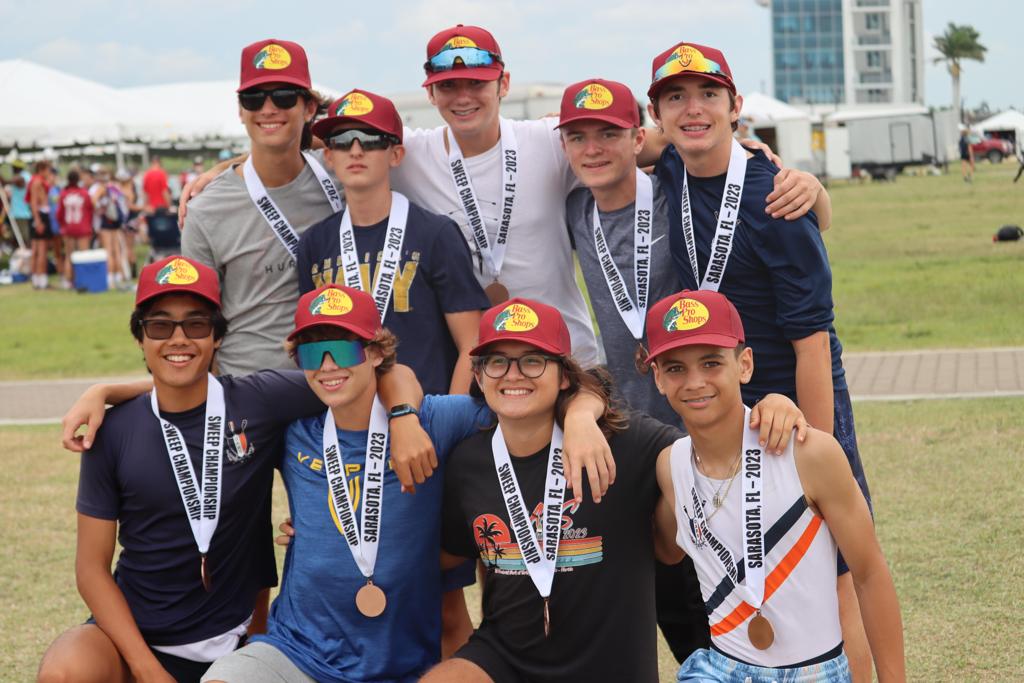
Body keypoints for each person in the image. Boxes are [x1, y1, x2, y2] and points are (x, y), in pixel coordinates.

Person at [202, 284, 619, 683]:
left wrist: (581, 415)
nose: (327, 365)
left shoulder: (436, 421)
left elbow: (545, 392)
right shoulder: (292, 428)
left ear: (375, 353)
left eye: (344, 349)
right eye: (312, 352)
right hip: (296, 651)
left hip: (402, 662)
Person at [39, 258, 428, 683]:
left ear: (218, 336)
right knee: (65, 672)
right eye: (160, 326)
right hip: (134, 641)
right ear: (140, 337)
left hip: (237, 642)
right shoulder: (112, 431)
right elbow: (90, 570)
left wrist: (403, 416)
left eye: (196, 325)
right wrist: (146, 668)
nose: (179, 338)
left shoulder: (259, 401)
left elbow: (385, 371)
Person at [424, 298, 807, 683]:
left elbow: (712, 448)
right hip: (505, 658)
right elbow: (447, 558)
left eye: (533, 361)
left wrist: (773, 406)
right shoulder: (468, 463)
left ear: (564, 376)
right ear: (479, 376)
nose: (513, 375)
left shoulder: (627, 444)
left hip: (610, 667)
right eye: (497, 362)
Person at [645, 40, 873, 681]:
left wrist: (813, 453)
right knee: (758, 572)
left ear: (735, 105)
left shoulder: (777, 200)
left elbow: (813, 345)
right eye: (675, 97)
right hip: (720, 402)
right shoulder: (673, 163)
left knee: (832, 577)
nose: (693, 109)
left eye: (708, 95)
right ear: (657, 114)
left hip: (791, 402)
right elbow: (623, 144)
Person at [645, 288, 905, 682]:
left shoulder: (809, 453)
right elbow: (666, 549)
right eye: (676, 368)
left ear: (744, 365)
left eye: (711, 362)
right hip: (719, 668)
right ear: (658, 379)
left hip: (814, 672)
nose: (695, 381)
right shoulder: (671, 466)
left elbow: (869, 574)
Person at [298, 88, 489, 395]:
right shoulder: (314, 243)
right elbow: (312, 345)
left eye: (371, 139)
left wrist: (450, 414)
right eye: (343, 141)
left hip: (427, 412)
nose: (356, 150)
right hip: (348, 417)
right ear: (329, 156)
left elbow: (471, 343)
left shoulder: (435, 234)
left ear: (396, 154)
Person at [182, 38, 344, 376]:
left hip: (339, 378)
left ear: (309, 108)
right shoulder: (206, 209)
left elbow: (379, 138)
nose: (268, 109)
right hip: (249, 387)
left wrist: (224, 165)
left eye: (284, 96)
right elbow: (197, 322)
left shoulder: (343, 174)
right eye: (253, 98)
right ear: (240, 110)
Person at [92, 166, 129, 289]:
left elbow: (93, 200)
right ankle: (119, 276)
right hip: (116, 222)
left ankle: (110, 278)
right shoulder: (114, 188)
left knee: (108, 251)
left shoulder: (102, 188)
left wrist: (99, 209)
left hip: (106, 222)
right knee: (116, 250)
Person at [56, 169, 95, 285]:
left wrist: (63, 225)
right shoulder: (84, 193)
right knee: (84, 255)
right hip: (83, 227)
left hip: (68, 227)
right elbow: (90, 209)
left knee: (69, 255)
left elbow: (59, 213)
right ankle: (84, 280)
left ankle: (69, 281)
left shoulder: (63, 194)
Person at [27, 160, 53, 289]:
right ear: (42, 170)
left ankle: (36, 280)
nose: (49, 172)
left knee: (36, 250)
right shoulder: (37, 182)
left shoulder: (36, 181)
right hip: (40, 215)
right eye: (48, 170)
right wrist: (38, 220)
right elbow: (33, 202)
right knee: (41, 250)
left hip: (37, 215)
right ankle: (42, 280)